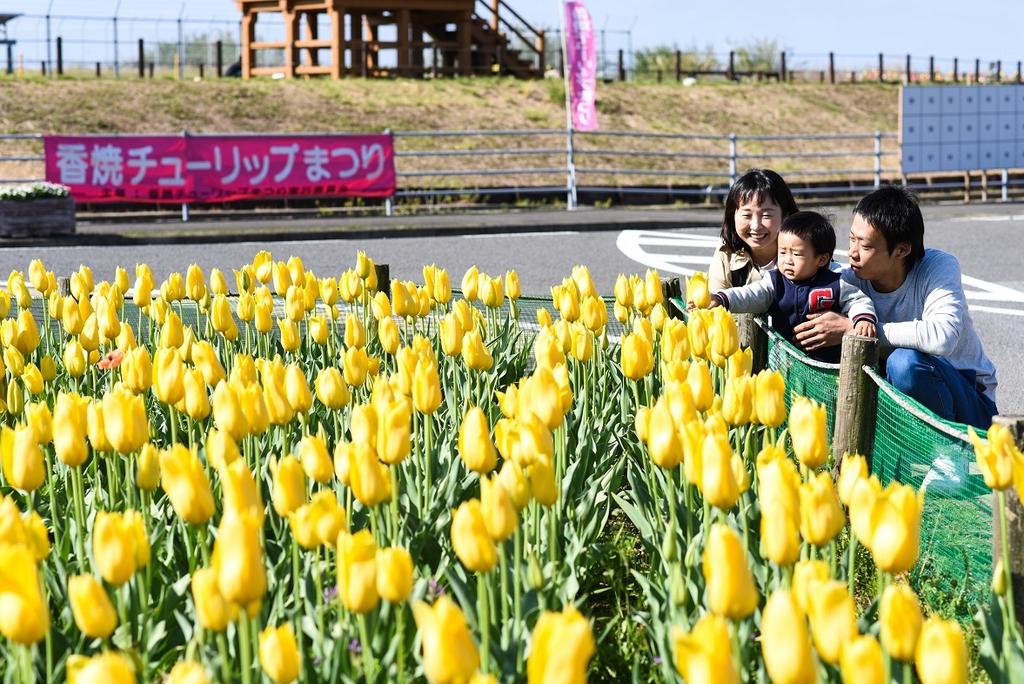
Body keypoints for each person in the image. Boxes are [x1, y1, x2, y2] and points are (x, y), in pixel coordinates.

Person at [793, 185, 997, 428]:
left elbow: (943, 337)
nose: (853, 253)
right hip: (900, 400)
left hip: (970, 401)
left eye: (866, 246)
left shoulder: (937, 267)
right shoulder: (850, 280)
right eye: (851, 239)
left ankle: (950, 455)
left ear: (902, 249)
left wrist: (856, 330)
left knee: (904, 362)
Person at [698, 211, 876, 363]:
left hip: (830, 365)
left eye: (796, 254)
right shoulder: (774, 282)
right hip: (785, 360)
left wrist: (863, 319)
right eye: (782, 252)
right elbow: (750, 294)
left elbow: (858, 300)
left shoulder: (836, 282)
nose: (787, 260)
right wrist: (722, 299)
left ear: (822, 259)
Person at [709, 168, 800, 291]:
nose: (756, 226)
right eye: (747, 215)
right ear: (733, 216)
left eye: (766, 215)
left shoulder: (805, 248)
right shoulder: (726, 251)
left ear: (785, 215)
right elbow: (716, 304)